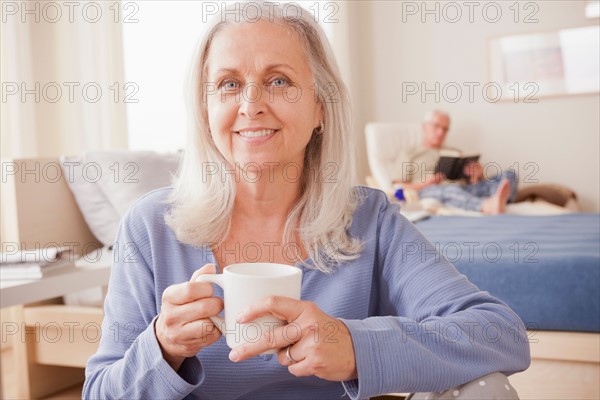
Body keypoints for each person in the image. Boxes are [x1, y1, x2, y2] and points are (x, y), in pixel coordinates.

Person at [83, 3, 530, 399]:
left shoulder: (370, 219)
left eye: (279, 81)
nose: (251, 104)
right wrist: (163, 347)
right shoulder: (149, 226)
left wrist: (354, 346)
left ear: (320, 107)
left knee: (486, 388)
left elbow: (500, 334)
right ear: (205, 111)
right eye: (228, 84)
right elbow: (100, 393)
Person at [392, 111, 517, 214]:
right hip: (429, 190)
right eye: (436, 126)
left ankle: (498, 200)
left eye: (445, 129)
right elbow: (397, 188)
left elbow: (473, 182)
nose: (441, 132)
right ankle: (486, 205)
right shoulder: (409, 153)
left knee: (510, 175)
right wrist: (425, 184)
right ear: (424, 127)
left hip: (464, 188)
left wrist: (477, 176)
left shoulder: (454, 151)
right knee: (450, 189)